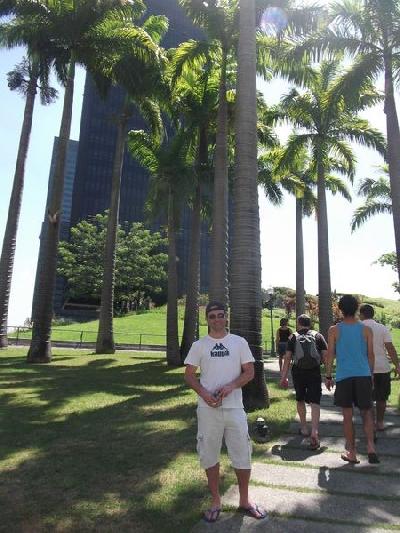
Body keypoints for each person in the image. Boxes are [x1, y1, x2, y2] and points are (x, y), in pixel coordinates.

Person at [184, 301, 267, 523]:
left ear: (226, 317)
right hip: (207, 410)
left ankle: (245, 500)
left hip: (235, 408)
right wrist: (204, 394)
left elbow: (249, 372)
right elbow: (189, 375)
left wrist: (231, 386)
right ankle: (216, 501)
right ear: (207, 320)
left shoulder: (239, 342)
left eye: (221, 315)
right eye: (212, 316)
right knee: (209, 454)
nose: (217, 319)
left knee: (242, 454)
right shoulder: (199, 345)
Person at [325, 294, 379, 464]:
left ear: (340, 309)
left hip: (344, 376)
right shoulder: (366, 329)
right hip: (363, 374)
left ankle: (352, 452)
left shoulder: (334, 330)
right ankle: (371, 447)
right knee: (367, 413)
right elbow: (371, 355)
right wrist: (371, 374)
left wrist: (328, 375)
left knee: (347, 416)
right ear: (357, 309)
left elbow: (330, 355)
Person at [280, 314, 327, 450]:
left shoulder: (293, 337)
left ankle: (304, 428)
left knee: (300, 399)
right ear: (309, 323)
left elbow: (287, 358)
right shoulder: (318, 336)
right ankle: (315, 431)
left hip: (298, 372)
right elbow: (326, 356)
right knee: (315, 402)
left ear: (298, 323)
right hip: (314, 371)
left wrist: (283, 377)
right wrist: (328, 374)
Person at [359, 303, 400, 431]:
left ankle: (369, 423)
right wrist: (397, 365)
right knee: (382, 398)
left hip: (363, 369)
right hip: (382, 367)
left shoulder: (357, 328)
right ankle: (380, 422)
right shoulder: (382, 328)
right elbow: (390, 348)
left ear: (361, 314)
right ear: (373, 314)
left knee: (366, 398)